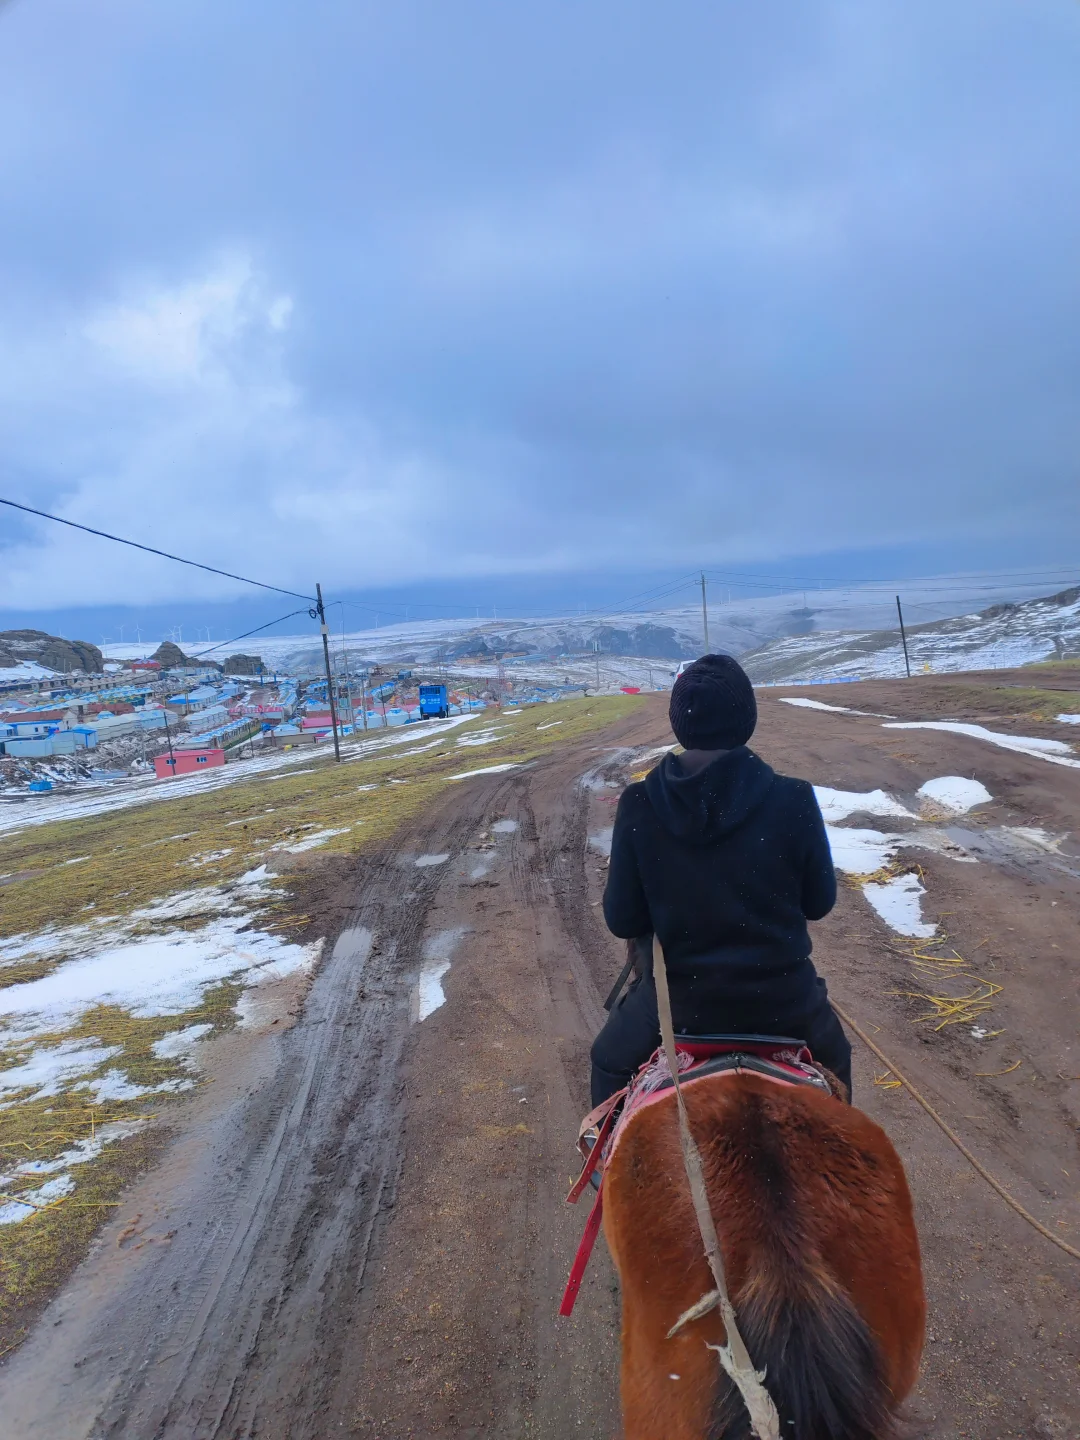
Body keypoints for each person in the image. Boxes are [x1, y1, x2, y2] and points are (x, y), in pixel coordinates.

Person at [591, 653, 851, 1106]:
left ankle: (600, 1176)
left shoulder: (639, 804)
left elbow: (621, 919)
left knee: (607, 1060)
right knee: (837, 1058)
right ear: (745, 719)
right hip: (785, 1002)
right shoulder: (794, 798)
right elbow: (819, 903)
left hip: (679, 1008)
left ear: (679, 724)